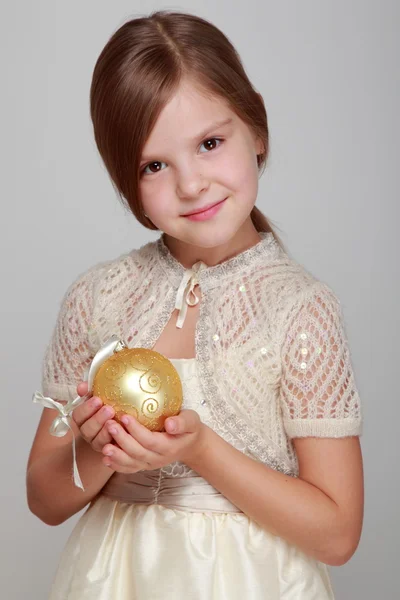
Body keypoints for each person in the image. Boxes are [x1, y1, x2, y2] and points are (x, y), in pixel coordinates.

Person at [26, 10, 364, 600]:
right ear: (126, 182)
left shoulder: (300, 309)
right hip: (114, 580)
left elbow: (337, 534)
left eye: (210, 143)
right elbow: (44, 499)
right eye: (154, 165)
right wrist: (103, 451)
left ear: (256, 128)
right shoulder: (98, 296)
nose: (191, 184)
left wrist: (201, 449)